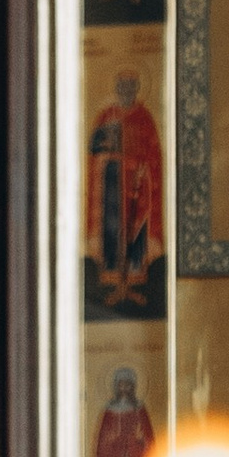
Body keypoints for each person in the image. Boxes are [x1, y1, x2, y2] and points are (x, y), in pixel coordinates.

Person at [87, 71, 163, 310]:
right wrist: (108, 159)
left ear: (137, 88)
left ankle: (132, 283)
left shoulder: (144, 118)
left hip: (137, 187)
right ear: (117, 88)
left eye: (131, 86)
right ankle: (115, 284)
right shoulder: (106, 116)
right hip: (111, 186)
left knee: (135, 230)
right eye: (122, 86)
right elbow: (94, 152)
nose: (126, 90)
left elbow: (154, 155)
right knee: (112, 232)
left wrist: (143, 170)